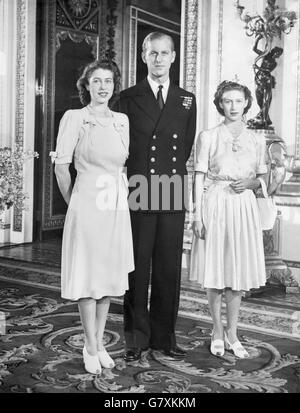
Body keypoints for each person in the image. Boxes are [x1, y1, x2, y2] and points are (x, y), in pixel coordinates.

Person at [117, 32, 197, 362]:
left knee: (167, 268)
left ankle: (164, 336)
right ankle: (136, 337)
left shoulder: (185, 99)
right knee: (137, 267)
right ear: (143, 55)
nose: (159, 59)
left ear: (174, 56)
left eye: (165, 53)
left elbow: (186, 147)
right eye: (153, 53)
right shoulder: (127, 96)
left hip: (172, 188)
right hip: (139, 187)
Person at [52, 60, 134, 374]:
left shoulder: (122, 120)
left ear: (114, 86)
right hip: (86, 202)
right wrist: (75, 201)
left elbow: (123, 165)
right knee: (88, 277)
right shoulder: (75, 118)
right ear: (86, 85)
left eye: (108, 81)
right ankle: (89, 344)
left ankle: (99, 343)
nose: (102, 87)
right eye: (96, 81)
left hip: (114, 203)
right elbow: (61, 166)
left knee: (107, 276)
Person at [190, 80, 267, 358]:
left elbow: (263, 179)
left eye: (238, 101)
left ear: (247, 103)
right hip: (216, 203)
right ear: (220, 104)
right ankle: (217, 330)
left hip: (243, 207)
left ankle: (233, 331)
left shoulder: (257, 138)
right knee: (216, 271)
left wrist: (250, 184)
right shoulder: (208, 136)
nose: (233, 107)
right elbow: (198, 177)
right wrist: (197, 215)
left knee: (237, 271)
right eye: (227, 101)